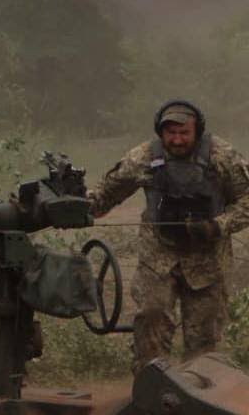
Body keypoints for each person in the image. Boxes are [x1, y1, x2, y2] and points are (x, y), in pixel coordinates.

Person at [87, 100, 249, 372]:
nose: (177, 140)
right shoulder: (143, 158)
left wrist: (217, 225)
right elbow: (106, 194)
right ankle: (150, 387)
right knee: (151, 319)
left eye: (184, 133)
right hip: (158, 258)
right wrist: (75, 206)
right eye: (170, 133)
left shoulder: (222, 157)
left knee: (204, 342)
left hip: (208, 263)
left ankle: (198, 391)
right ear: (160, 131)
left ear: (198, 130)